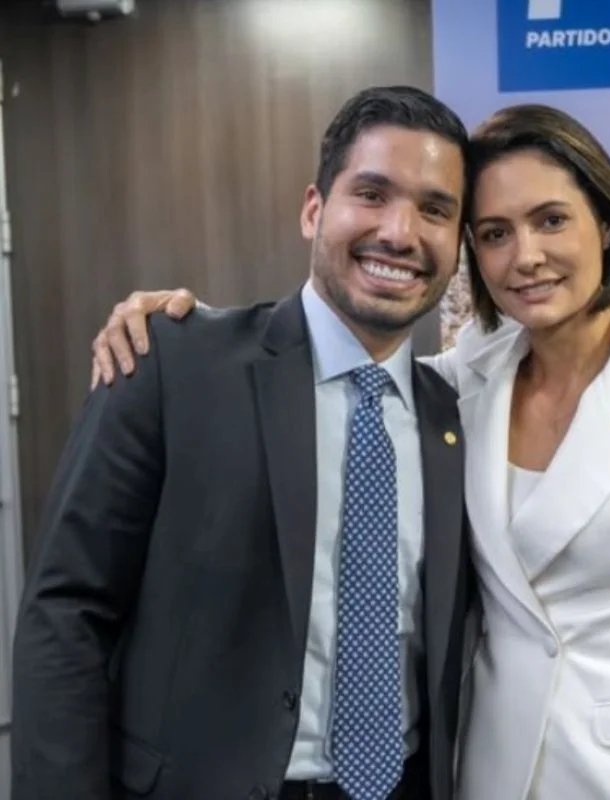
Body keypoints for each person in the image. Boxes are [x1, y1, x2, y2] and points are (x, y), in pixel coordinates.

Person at [88, 104, 610, 798]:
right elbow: (329, 369)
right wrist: (186, 327)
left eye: (551, 220)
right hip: (488, 770)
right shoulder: (464, 381)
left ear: (605, 223)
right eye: (495, 233)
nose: (526, 256)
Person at [12, 85, 476, 800]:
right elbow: (66, 612)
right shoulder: (172, 363)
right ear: (314, 209)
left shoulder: (458, 415)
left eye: (435, 210)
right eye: (371, 194)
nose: (400, 232)